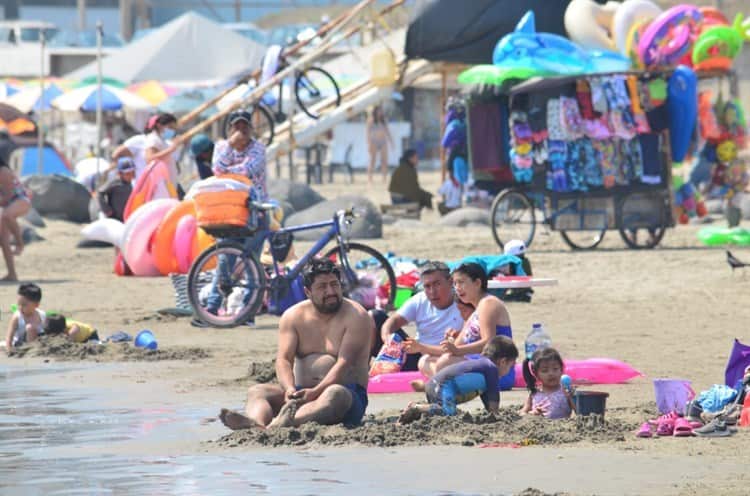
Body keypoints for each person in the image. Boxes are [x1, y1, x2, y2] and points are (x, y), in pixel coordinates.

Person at [218, 258, 373, 430]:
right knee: (257, 391)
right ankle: (258, 425)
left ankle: (282, 424)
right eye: (322, 287)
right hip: (300, 393)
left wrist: (315, 392)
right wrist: (289, 389)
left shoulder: (356, 316)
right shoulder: (293, 316)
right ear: (308, 292)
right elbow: (284, 360)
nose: (330, 291)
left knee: (335, 393)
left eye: (334, 284)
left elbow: (345, 363)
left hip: (347, 395)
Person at [194, 110, 268, 327]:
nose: (241, 130)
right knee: (225, 261)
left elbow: (249, 171)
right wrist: (230, 146)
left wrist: (227, 171)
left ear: (251, 129)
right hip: (227, 212)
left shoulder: (258, 148)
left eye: (245, 126)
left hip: (256, 211)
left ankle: (248, 312)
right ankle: (211, 309)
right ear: (230, 129)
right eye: (237, 126)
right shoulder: (221, 147)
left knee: (252, 262)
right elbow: (217, 170)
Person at [412, 262, 512, 384]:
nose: (457, 288)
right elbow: (452, 349)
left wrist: (457, 351)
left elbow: (488, 342)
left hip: (498, 370)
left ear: (477, 283)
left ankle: (435, 382)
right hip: (479, 364)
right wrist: (421, 347)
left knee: (445, 362)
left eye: (461, 282)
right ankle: (438, 381)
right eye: (455, 283)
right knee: (425, 361)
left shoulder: (488, 303)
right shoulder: (475, 312)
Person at [397, 335, 519, 424]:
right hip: (442, 386)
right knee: (448, 413)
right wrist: (496, 416)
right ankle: (416, 408)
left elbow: (487, 398)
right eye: (510, 366)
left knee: (441, 412)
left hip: (435, 385)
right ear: (503, 361)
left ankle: (418, 412)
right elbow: (493, 400)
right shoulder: (491, 368)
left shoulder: (482, 366)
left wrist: (491, 413)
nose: (509, 370)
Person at [371, 261, 465, 371]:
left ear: (450, 282)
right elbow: (394, 321)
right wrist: (386, 337)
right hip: (417, 356)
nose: (432, 291)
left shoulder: (465, 304)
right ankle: (360, 375)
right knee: (374, 317)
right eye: (427, 286)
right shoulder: (420, 299)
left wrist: (422, 348)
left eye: (437, 284)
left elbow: (462, 348)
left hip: (448, 358)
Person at [521, 347, 575, 419]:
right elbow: (522, 413)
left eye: (555, 369)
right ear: (536, 374)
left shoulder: (565, 392)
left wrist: (571, 398)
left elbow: (579, 412)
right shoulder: (534, 394)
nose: (551, 374)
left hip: (561, 428)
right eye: (545, 371)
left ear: (561, 370)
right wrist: (532, 413)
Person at [0, 158, 31, 281]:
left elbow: (8, 197)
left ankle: (20, 243)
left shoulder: (3, 171)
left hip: (20, 200)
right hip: (7, 204)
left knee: (7, 215)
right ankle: (12, 274)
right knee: (3, 240)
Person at [144, 113, 183, 195]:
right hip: (160, 186)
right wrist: (171, 149)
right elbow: (149, 158)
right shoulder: (153, 139)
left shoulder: (162, 140)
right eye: (170, 127)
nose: (172, 131)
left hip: (168, 185)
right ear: (159, 125)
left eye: (174, 128)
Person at [5, 283, 45, 352]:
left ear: (36, 305)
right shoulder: (17, 317)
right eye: (19, 304)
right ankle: (31, 351)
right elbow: (9, 336)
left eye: (24, 305)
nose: (20, 307)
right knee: (30, 328)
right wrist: (9, 348)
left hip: (38, 344)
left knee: (31, 328)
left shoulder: (42, 315)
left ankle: (35, 350)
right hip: (20, 345)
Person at [97, 158, 135, 222]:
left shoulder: (133, 184)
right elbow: (100, 193)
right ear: (120, 173)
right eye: (128, 174)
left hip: (126, 217)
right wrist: (106, 209)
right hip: (114, 218)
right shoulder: (115, 182)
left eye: (132, 173)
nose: (130, 176)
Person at [366, 105, 393, 183]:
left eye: (381, 111)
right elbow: (367, 133)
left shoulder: (383, 120)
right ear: (375, 111)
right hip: (374, 141)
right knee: (372, 161)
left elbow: (387, 132)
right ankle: (370, 179)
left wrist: (391, 142)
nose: (380, 112)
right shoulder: (370, 120)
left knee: (384, 161)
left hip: (383, 141)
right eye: (379, 110)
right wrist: (368, 143)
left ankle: (384, 178)